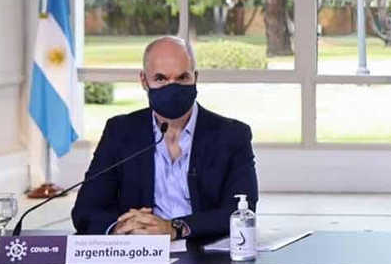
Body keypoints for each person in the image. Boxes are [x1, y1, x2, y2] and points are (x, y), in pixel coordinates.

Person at [72, 36, 258, 240]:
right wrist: (121, 227)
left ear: (195, 77)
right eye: (160, 79)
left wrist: (175, 228)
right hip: (138, 253)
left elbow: (241, 211)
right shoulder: (120, 132)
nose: (173, 88)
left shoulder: (231, 135)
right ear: (144, 80)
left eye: (182, 78)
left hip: (203, 256)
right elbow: (86, 210)